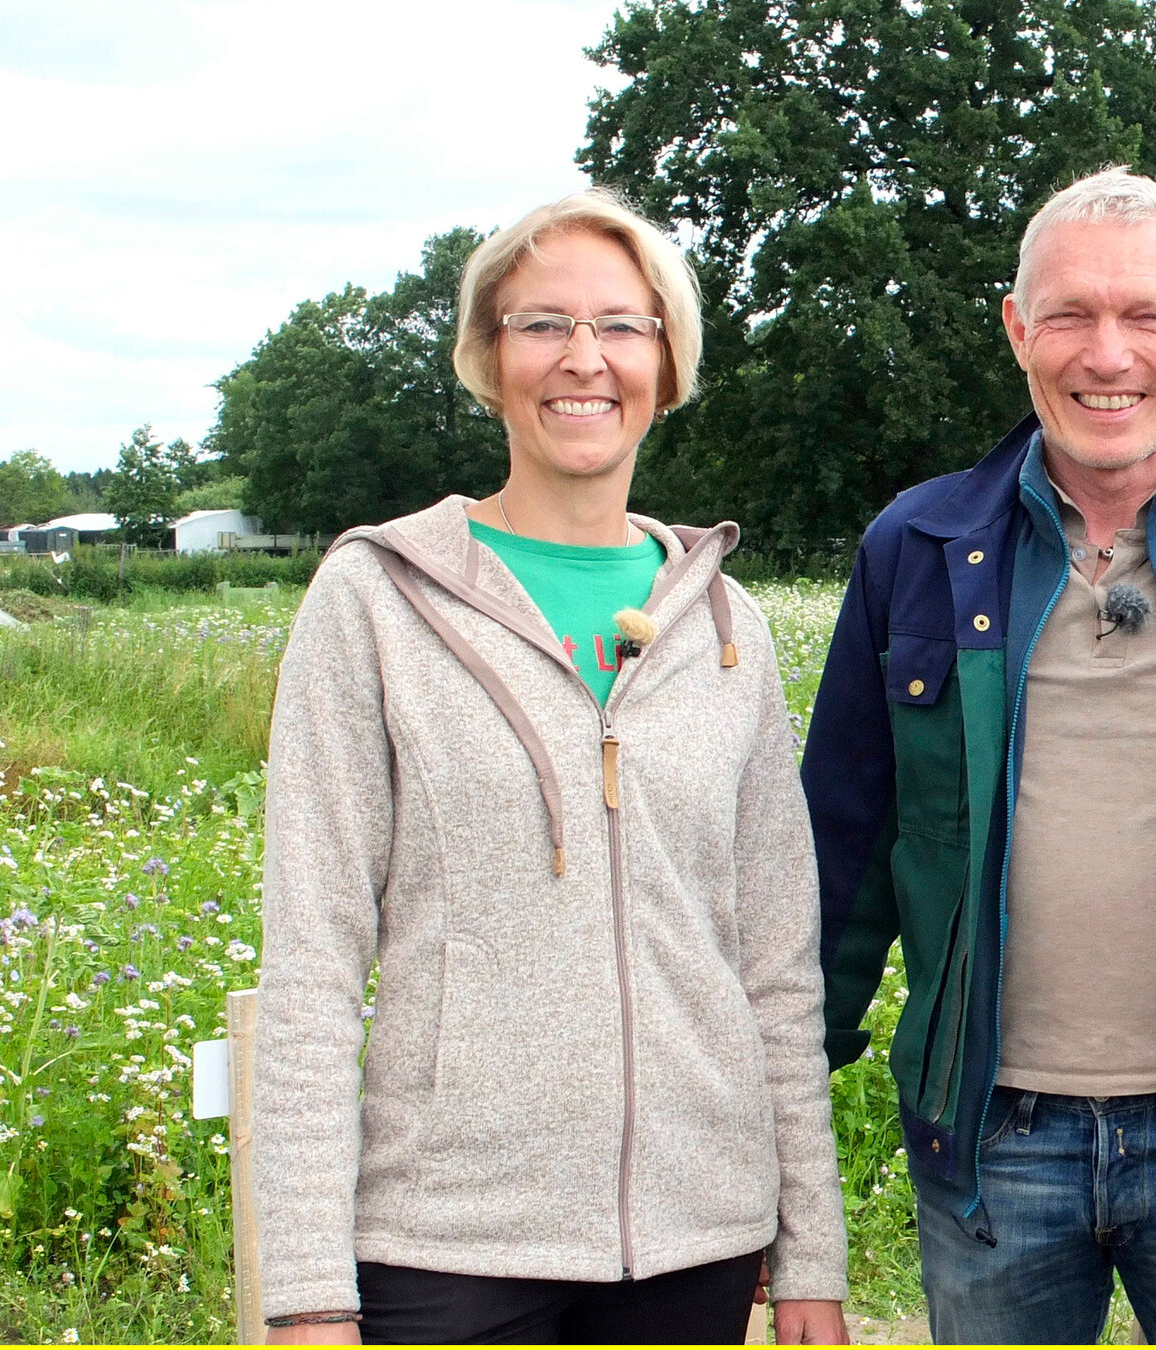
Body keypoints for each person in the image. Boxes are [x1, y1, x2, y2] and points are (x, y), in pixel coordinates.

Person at [252, 189, 849, 1345]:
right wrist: (309, 1295)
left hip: (699, 1240)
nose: (586, 360)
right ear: (485, 357)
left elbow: (779, 972)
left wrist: (810, 1254)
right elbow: (312, 967)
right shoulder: (373, 602)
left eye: (623, 326)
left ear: (667, 365)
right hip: (449, 1246)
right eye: (542, 325)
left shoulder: (727, 625)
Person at [802, 167, 1156, 1344]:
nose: (1109, 355)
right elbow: (839, 854)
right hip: (996, 1143)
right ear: (1018, 330)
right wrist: (784, 1102)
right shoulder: (916, 547)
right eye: (1070, 315)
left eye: (1147, 315)